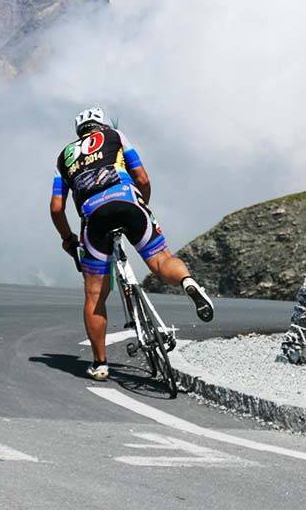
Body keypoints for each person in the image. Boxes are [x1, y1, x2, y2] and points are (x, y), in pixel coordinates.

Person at [50, 106, 214, 381]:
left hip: (94, 217)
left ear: (79, 132)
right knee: (161, 260)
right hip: (128, 202)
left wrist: (68, 239)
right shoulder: (115, 135)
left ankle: (100, 364)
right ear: (101, 125)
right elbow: (143, 178)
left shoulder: (63, 157)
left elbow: (57, 208)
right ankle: (187, 281)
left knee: (94, 296)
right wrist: (142, 205)